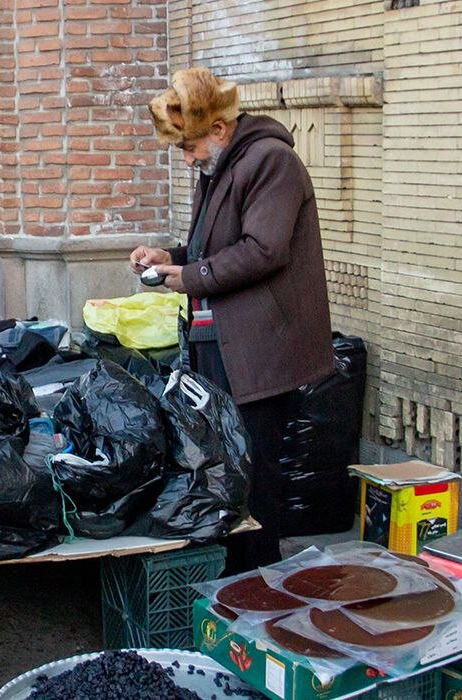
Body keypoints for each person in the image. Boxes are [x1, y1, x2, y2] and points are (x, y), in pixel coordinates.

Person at [132, 67, 333, 573]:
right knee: (232, 466)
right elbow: (210, 249)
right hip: (226, 345)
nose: (187, 157)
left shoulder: (271, 162)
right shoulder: (219, 169)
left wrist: (190, 276)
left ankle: (258, 582)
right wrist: (168, 255)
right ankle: (236, 574)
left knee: (257, 472)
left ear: (219, 130)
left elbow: (264, 250)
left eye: (190, 146)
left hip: (265, 350)